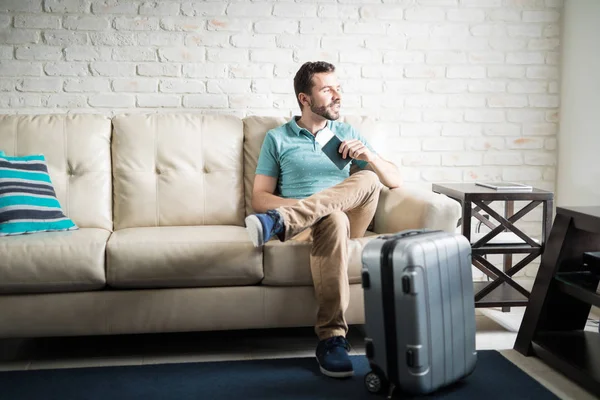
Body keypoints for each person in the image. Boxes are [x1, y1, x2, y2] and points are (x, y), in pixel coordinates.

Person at [245, 61, 402, 378]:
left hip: (328, 217)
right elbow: (260, 198)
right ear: (304, 98)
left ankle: (280, 222)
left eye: (338, 88)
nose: (337, 95)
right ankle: (333, 340)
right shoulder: (278, 138)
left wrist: (368, 157)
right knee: (332, 219)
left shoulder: (348, 133)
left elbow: (394, 180)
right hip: (314, 227)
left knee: (369, 180)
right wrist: (317, 209)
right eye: (327, 89)